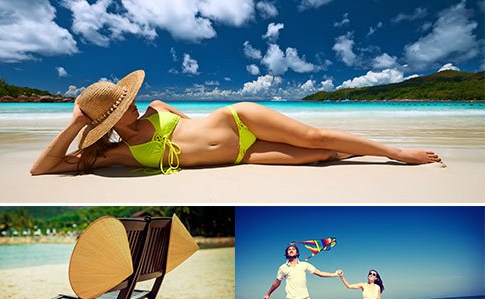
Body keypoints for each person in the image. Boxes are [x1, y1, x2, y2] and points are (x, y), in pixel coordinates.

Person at [30, 70, 443, 176]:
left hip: (239, 119)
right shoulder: (118, 154)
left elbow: (195, 125)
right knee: (318, 156)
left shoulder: (155, 107)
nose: (133, 105)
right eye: (124, 107)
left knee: (313, 136)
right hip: (243, 155)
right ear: (109, 121)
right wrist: (75, 123)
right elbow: (43, 168)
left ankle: (396, 153)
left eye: (128, 100)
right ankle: (364, 153)